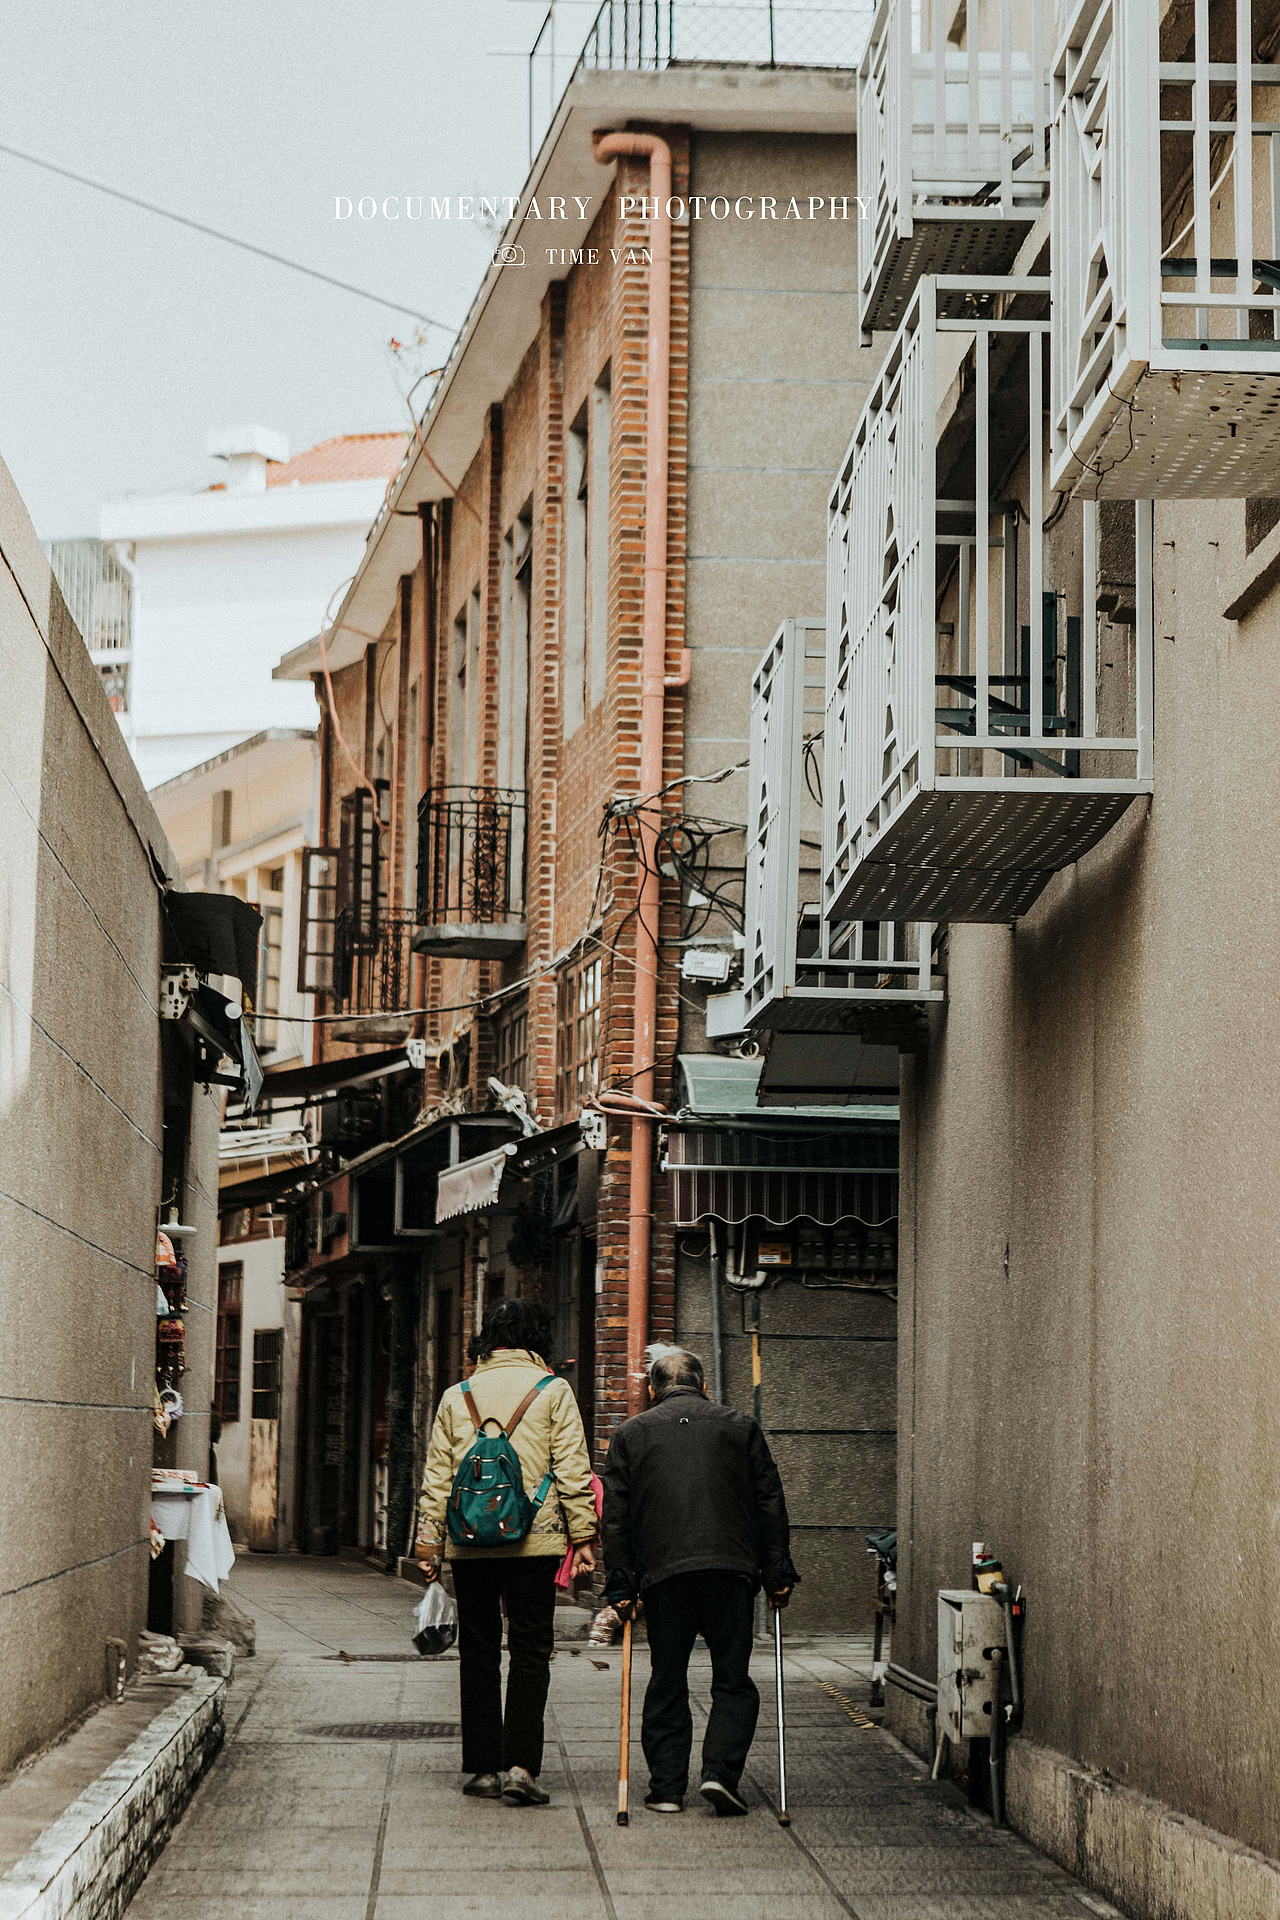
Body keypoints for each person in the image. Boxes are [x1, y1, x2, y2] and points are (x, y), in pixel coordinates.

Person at [601, 1343, 797, 1817]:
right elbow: (769, 1501)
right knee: (733, 1678)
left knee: (667, 1678)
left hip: (664, 1575)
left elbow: (617, 1517)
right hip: (731, 1571)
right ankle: (720, 1774)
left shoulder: (630, 1434)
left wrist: (622, 1584)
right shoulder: (741, 1426)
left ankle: (667, 1789)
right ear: (704, 1386)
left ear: (653, 1391)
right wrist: (777, 1573)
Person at [417, 1297, 597, 1806]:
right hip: (535, 1541)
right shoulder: (554, 1390)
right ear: (535, 1339)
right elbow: (573, 1469)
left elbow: (438, 1476)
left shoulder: (457, 1395)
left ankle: (482, 1769)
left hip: (469, 1543)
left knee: (477, 1652)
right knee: (531, 1650)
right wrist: (583, 1537)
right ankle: (520, 1767)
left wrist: (429, 1542)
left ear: (487, 1340)